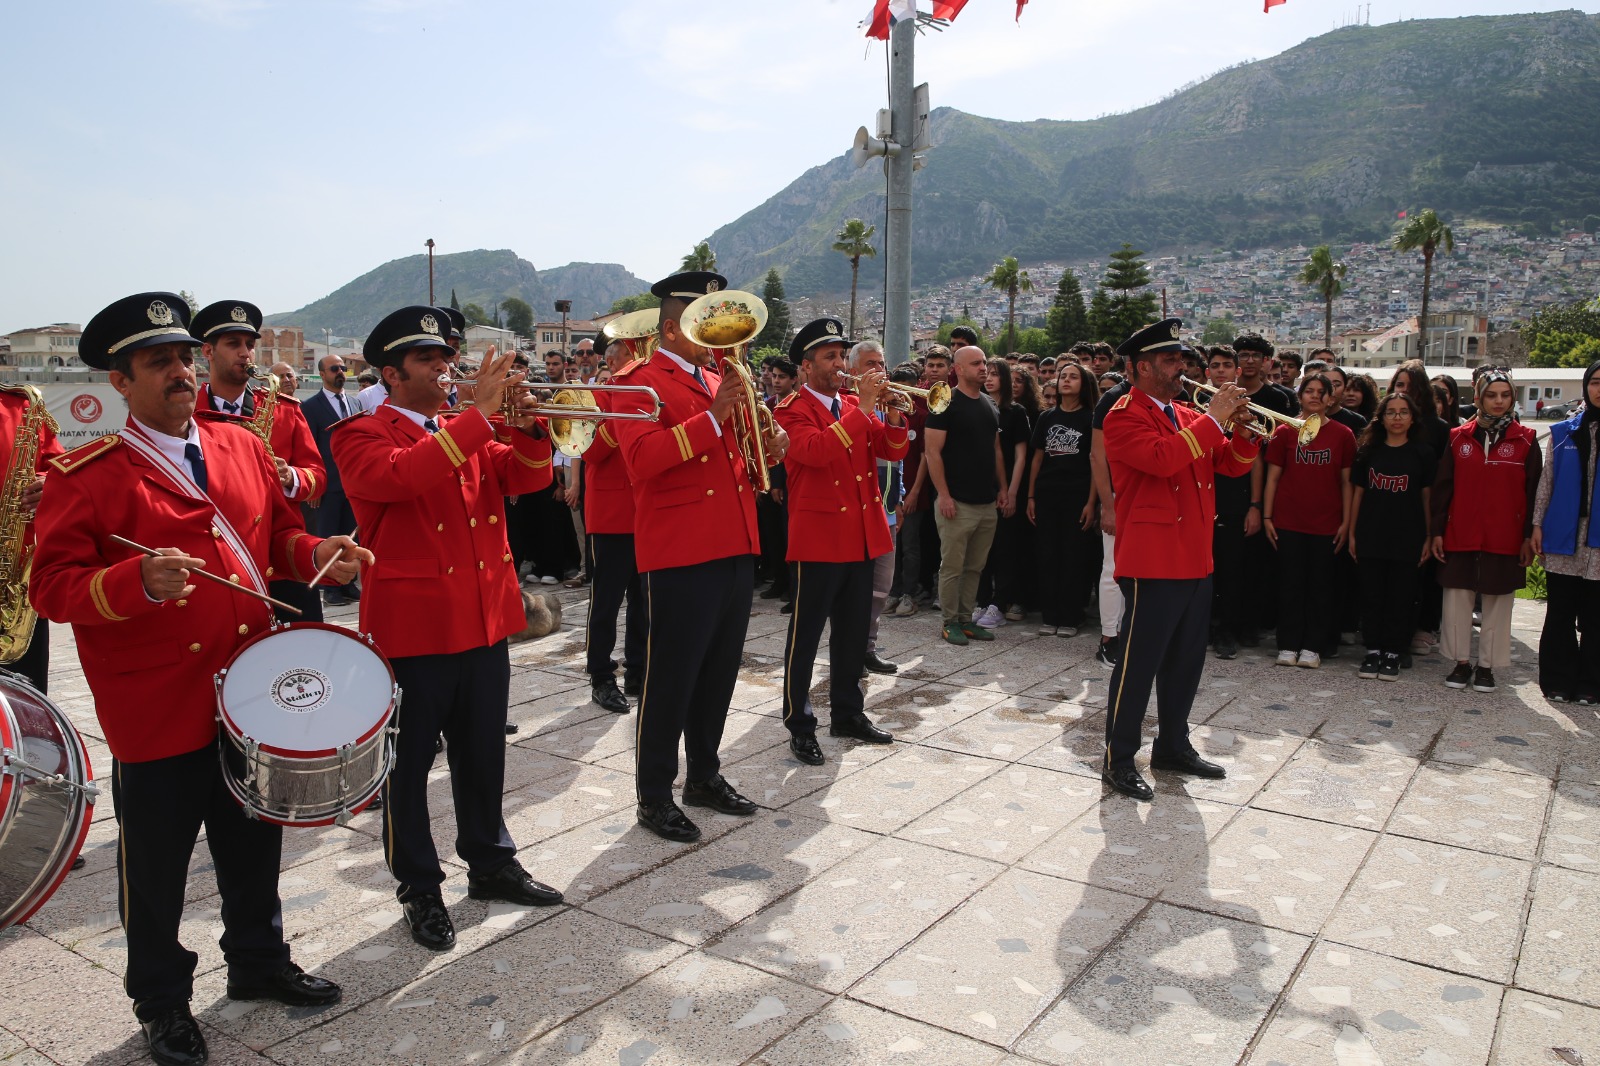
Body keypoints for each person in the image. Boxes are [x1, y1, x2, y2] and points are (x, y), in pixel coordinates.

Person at [33, 293, 367, 1065]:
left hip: (248, 694)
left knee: (254, 839)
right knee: (156, 869)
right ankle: (161, 1000)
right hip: (155, 705)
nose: (182, 372)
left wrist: (317, 552)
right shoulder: (85, 474)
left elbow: (275, 537)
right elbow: (50, 586)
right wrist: (134, 582)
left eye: (185, 357)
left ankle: (256, 960)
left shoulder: (241, 445)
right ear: (121, 382)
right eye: (161, 363)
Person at [331, 308, 564, 951]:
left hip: (483, 622)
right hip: (415, 630)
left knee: (483, 753)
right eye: (429, 361)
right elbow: (402, 478)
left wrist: (529, 425)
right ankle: (420, 886)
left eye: (446, 358)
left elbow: (532, 476)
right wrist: (480, 418)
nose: (446, 369)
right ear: (390, 375)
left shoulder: (462, 430)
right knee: (406, 770)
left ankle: (490, 862)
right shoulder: (362, 434)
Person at [611, 271, 787, 843]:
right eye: (702, 323)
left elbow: (734, 456)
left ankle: (704, 774)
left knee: (718, 671)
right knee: (671, 677)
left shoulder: (720, 374)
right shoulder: (636, 383)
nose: (716, 334)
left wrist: (770, 444)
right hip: (681, 548)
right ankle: (654, 794)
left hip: (734, 539)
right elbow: (642, 461)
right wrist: (712, 417)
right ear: (670, 327)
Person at [1099, 318, 1257, 801]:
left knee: (1186, 661)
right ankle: (1118, 758)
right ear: (1141, 366)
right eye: (1170, 360)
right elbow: (1163, 459)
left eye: (1182, 359)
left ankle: (1172, 745)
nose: (1181, 368)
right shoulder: (1122, 413)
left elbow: (1229, 464)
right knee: (1138, 663)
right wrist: (1214, 419)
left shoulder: (1187, 413)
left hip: (1194, 555)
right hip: (1152, 558)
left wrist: (1246, 432)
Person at [774, 320, 906, 765]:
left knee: (852, 636)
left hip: (860, 535)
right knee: (805, 638)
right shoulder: (790, 409)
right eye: (829, 357)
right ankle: (799, 721)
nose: (839, 364)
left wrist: (890, 414)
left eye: (840, 355)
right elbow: (814, 452)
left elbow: (892, 451)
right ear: (806, 366)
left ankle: (848, 713)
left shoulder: (853, 404)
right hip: (818, 539)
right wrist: (864, 407)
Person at [191, 300, 327, 624]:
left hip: (283, 559)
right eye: (233, 344)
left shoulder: (284, 408)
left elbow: (318, 476)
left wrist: (291, 476)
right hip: (218, 564)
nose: (245, 353)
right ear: (207, 351)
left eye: (250, 345)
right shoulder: (186, 413)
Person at [1430, 370, 1540, 692]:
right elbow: (1442, 488)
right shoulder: (1457, 437)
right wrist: (1437, 531)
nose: (1498, 401)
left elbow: (1533, 492)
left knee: (1498, 602)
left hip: (1505, 536)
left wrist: (1526, 536)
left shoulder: (1527, 440)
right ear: (1478, 397)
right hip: (1460, 532)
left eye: (1505, 395)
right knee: (1456, 598)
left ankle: (1487, 667)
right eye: (1491, 395)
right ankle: (1461, 663)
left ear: (1512, 398)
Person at [1262, 372, 1354, 668]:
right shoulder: (1284, 431)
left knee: (1321, 587)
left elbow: (1346, 483)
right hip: (1288, 521)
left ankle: (1313, 647)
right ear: (1299, 396)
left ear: (1330, 398)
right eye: (1309, 391)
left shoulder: (1343, 434)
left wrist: (1346, 522)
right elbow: (1273, 478)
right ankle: (1288, 644)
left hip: (1327, 524)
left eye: (1321, 392)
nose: (1314, 396)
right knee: (1289, 585)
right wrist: (1266, 515)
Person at [577, 336, 649, 714]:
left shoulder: (648, 392)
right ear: (613, 358)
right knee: (606, 601)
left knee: (644, 598)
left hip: (647, 510)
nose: (639, 359)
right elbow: (587, 451)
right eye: (631, 353)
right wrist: (620, 416)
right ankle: (601, 675)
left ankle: (638, 669)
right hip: (610, 514)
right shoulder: (596, 398)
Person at [923, 345, 1008, 645]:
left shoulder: (990, 403)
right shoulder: (944, 403)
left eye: (984, 362)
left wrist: (1004, 488)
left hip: (986, 501)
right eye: (975, 363)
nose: (983, 368)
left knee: (975, 567)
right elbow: (932, 452)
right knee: (952, 567)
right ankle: (949, 622)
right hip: (956, 501)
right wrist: (943, 495)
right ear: (957, 369)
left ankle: (965, 619)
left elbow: (996, 450)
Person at [1349, 391, 1434, 681]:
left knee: (1402, 597)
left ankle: (1394, 652)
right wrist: (1351, 533)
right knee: (1372, 595)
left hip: (1408, 537)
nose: (1397, 418)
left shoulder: (1422, 453)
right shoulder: (1368, 451)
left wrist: (1428, 536)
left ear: (1412, 418)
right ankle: (1373, 650)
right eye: (1391, 412)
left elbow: (1426, 499)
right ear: (1381, 418)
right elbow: (1357, 495)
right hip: (1371, 534)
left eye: (1403, 412)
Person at [1534, 360, 1600, 703]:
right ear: (1586, 386)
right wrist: (1537, 526)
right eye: (1596, 381)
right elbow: (1547, 484)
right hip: (1565, 538)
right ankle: (1558, 680)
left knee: (1595, 617)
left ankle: (1591, 683)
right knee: (1559, 612)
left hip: (1599, 546)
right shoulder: (1563, 433)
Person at [1027, 361, 1099, 636]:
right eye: (1063, 376)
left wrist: (1092, 502)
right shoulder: (1047, 417)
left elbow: (1096, 464)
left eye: (1073, 377)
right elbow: (1037, 459)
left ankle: (1070, 616)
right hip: (1046, 495)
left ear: (1085, 384)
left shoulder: (1091, 418)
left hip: (1078, 496)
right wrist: (1031, 495)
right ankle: (1051, 614)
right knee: (1047, 555)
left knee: (1074, 556)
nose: (1066, 381)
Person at [848, 339, 905, 674]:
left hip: (887, 508)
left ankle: (867, 648)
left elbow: (896, 453)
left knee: (880, 589)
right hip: (858, 512)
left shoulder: (885, 404)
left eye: (881, 363)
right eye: (870, 363)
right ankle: (850, 650)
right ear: (853, 371)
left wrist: (896, 414)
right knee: (856, 591)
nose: (878, 370)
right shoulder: (849, 404)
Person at [0, 382, 61, 693]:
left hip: (13, 582)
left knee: (25, 701)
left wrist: (48, 483)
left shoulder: (21, 405)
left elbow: (55, 466)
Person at [1203, 345, 1255, 658]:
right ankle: (1203, 627)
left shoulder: (1248, 406)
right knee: (1203, 573)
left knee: (1233, 572)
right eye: (1215, 365)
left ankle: (1227, 632)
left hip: (1237, 498)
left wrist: (1256, 506)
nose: (1220, 370)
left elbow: (1257, 462)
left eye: (1226, 365)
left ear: (1237, 371)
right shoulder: (1195, 408)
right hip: (1205, 497)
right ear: (1207, 371)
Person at [300, 353, 360, 607]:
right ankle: (330, 587)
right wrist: (315, 485)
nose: (340, 372)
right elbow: (308, 449)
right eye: (334, 368)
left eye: (343, 368)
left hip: (353, 484)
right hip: (329, 486)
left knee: (350, 537)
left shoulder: (356, 404)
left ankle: (347, 583)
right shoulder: (310, 407)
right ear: (322, 374)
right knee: (328, 536)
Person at [895, 345, 950, 614]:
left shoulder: (923, 413)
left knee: (913, 546)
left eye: (941, 365)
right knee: (894, 546)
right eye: (931, 365)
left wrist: (915, 491)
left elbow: (928, 454)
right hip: (890, 490)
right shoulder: (891, 412)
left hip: (916, 490)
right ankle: (895, 591)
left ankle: (912, 592)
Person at [976, 357, 1030, 628]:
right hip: (982, 488)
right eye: (986, 373)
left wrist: (1011, 491)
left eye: (995, 374)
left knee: (1006, 550)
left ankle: (1000, 603)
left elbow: (1021, 457)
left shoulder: (1016, 412)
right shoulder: (978, 407)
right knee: (981, 551)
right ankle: (983, 601)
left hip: (1007, 487)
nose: (989, 378)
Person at [1090, 360, 1133, 667]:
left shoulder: (1175, 395)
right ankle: (1109, 638)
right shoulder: (1113, 397)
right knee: (1113, 568)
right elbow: (1097, 456)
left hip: (1151, 497)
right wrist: (1108, 505)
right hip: (1120, 496)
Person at [757, 358, 797, 602]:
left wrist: (779, 482)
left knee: (788, 534)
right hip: (769, 477)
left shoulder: (796, 404)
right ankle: (779, 581)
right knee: (773, 534)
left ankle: (793, 588)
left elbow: (787, 449)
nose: (776, 381)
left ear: (794, 379)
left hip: (786, 478)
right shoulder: (769, 404)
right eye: (774, 376)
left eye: (782, 377)